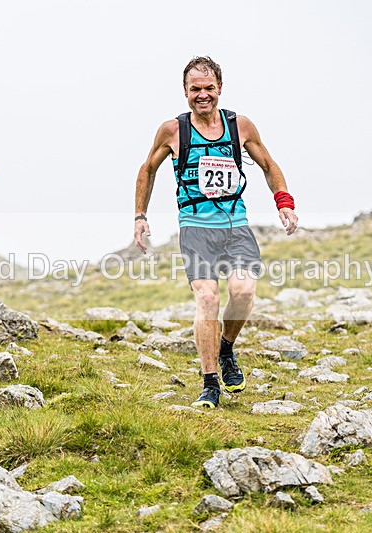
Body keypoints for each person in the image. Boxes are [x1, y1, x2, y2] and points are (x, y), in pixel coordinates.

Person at [133, 57, 298, 409]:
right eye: (196, 90)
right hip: (195, 228)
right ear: (185, 92)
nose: (203, 96)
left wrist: (283, 201)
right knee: (208, 299)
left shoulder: (240, 126)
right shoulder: (173, 131)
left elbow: (269, 165)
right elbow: (147, 170)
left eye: (209, 88)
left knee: (243, 291)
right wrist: (140, 216)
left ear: (220, 88)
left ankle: (226, 348)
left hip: (235, 226)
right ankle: (210, 383)